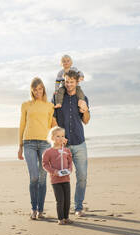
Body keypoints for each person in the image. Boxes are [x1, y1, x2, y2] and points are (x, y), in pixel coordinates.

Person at [53, 70, 90, 217]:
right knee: (63, 177)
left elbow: (86, 120)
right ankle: (65, 207)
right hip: (63, 146)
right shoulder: (57, 98)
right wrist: (60, 138)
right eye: (67, 82)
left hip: (79, 143)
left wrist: (85, 109)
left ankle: (78, 206)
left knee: (82, 176)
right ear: (64, 81)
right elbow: (53, 120)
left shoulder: (82, 98)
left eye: (71, 82)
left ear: (77, 82)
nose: (69, 85)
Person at [18, 77, 55, 220]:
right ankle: (34, 208)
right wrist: (20, 146)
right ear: (32, 90)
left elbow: (51, 126)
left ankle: (40, 210)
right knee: (34, 177)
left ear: (43, 89)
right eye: (35, 89)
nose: (38, 91)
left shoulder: (49, 106)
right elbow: (22, 125)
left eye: (40, 88)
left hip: (45, 143)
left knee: (42, 178)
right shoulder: (26, 105)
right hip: (29, 143)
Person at [42, 127, 73, 225]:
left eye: (62, 136)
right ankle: (60, 219)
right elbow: (45, 164)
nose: (60, 138)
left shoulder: (66, 150)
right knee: (60, 200)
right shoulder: (48, 152)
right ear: (52, 137)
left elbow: (70, 162)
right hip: (56, 180)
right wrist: (54, 171)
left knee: (67, 200)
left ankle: (66, 217)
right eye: (58, 136)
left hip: (66, 178)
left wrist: (69, 170)